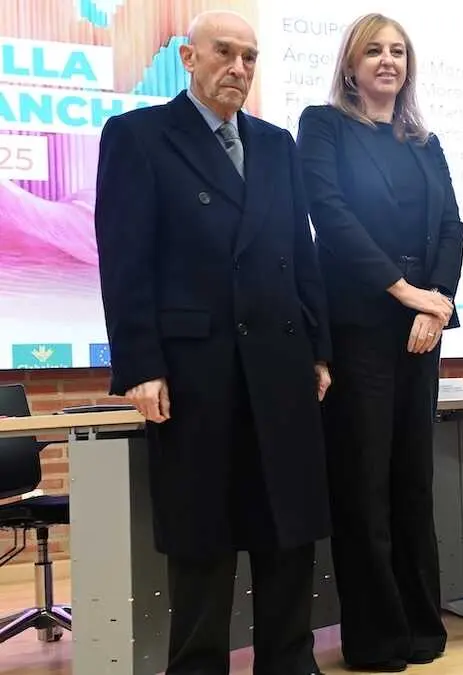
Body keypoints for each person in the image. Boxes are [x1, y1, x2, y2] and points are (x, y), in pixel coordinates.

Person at [93, 10, 331, 675]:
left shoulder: (277, 142)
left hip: (281, 362)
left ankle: (289, 662)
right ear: (187, 59)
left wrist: (317, 347)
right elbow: (125, 258)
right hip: (196, 368)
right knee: (204, 533)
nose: (240, 67)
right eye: (224, 52)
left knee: (288, 528)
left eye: (251, 56)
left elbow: (299, 251)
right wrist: (141, 364)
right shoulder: (139, 136)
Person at [295, 12, 463, 671]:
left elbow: (450, 225)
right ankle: (377, 637)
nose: (388, 61)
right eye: (375, 51)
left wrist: (439, 303)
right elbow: (329, 216)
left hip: (421, 333)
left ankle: (424, 625)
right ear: (351, 64)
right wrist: (405, 291)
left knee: (412, 484)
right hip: (360, 329)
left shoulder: (425, 141)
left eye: (398, 51)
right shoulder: (323, 125)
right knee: (363, 487)